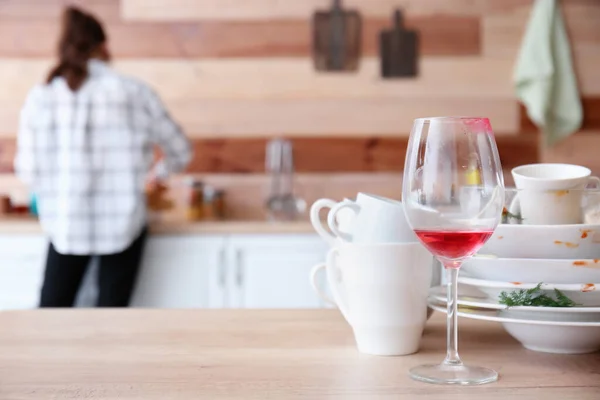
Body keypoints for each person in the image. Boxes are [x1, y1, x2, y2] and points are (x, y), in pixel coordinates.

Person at [14, 6, 192, 307]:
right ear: (103, 46)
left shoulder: (42, 98)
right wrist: (154, 178)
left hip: (65, 224)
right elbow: (181, 151)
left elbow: (28, 170)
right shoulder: (135, 92)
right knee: (113, 318)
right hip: (123, 225)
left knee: (50, 314)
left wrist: (56, 190)